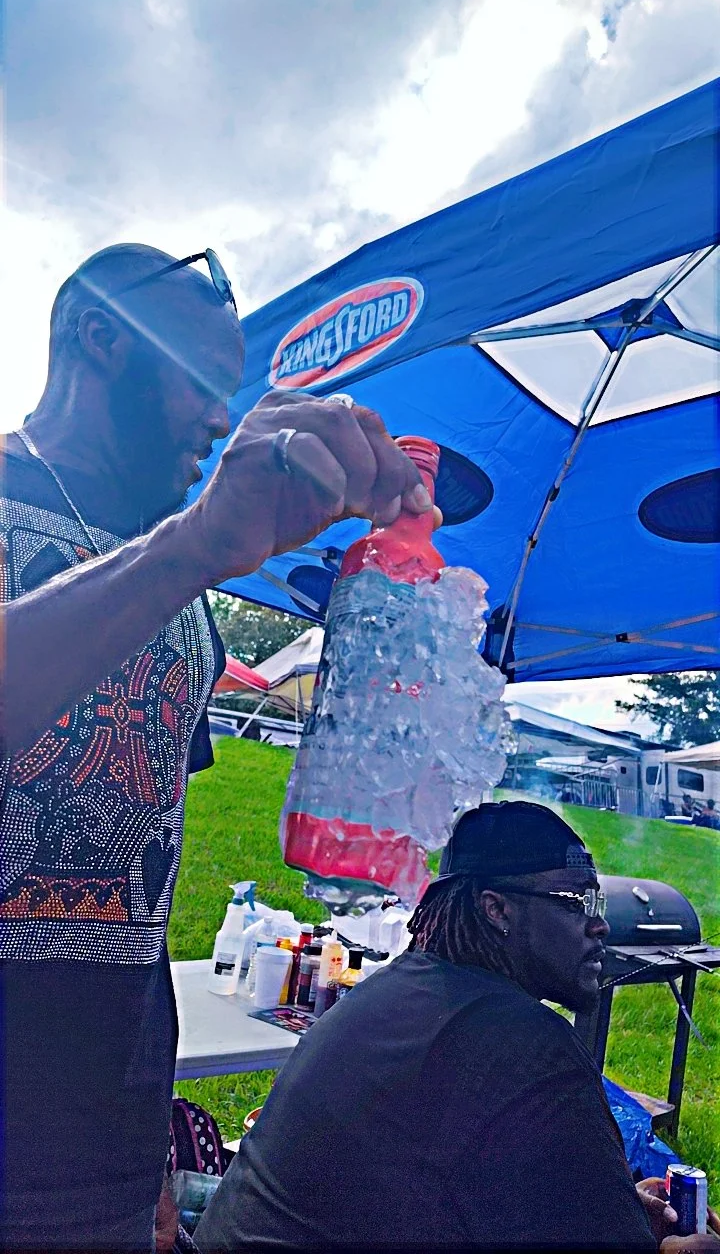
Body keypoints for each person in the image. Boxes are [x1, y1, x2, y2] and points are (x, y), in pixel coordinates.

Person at [0, 243, 434, 1250]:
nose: (215, 417)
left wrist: (151, 1145)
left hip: (99, 1155)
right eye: (199, 381)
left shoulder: (189, 573)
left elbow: (148, 858)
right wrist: (190, 546)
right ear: (99, 338)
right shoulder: (181, 546)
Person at [195, 801, 718, 1252]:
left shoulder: (396, 989)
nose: (599, 924)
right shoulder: (529, 1046)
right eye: (578, 902)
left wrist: (606, 1210)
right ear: (497, 910)